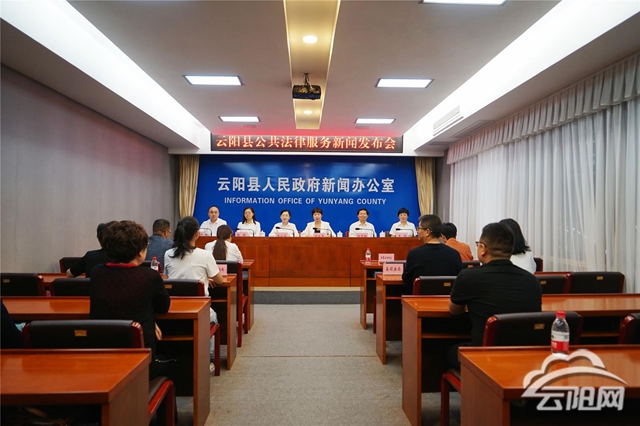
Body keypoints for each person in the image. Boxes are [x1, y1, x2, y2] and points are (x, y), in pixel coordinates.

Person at [448, 222, 542, 367]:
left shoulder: (468, 276)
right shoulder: (532, 281)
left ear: (483, 249)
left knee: (446, 351)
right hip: (523, 359)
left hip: (482, 358)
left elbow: (454, 310)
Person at [89, 220, 171, 378]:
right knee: (176, 361)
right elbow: (163, 307)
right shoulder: (150, 276)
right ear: (140, 252)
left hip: (103, 356)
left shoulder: (97, 272)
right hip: (141, 361)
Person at [164, 216, 223, 374]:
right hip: (199, 310)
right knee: (214, 317)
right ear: (197, 234)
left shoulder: (168, 254)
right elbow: (219, 280)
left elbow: (168, 277)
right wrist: (207, 277)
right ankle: (207, 359)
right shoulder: (205, 255)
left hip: (172, 308)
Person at [401, 214, 463, 294]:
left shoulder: (414, 254)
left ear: (427, 232)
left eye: (419, 228)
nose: (417, 231)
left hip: (420, 300)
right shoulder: (454, 254)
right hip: (447, 300)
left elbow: (406, 279)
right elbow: (459, 280)